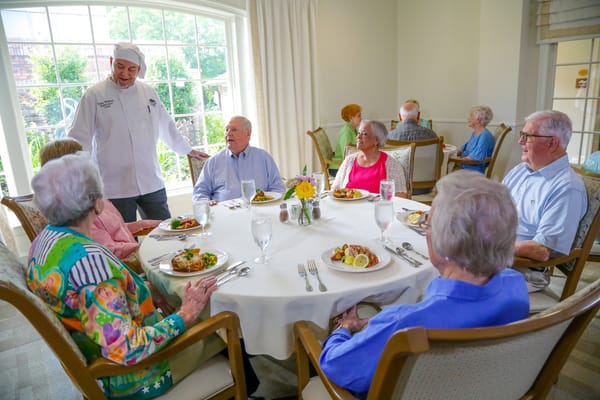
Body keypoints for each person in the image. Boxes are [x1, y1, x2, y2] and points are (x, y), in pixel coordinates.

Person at [26, 153, 236, 399]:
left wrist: (145, 287)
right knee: (228, 325)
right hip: (136, 376)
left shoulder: (43, 243)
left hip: (101, 353)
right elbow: (128, 349)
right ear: (97, 203)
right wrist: (185, 314)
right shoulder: (90, 263)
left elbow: (98, 304)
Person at [319, 170, 529, 398]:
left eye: (428, 224)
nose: (426, 231)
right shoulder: (516, 286)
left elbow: (334, 365)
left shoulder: (404, 327)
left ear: (445, 243)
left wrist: (344, 329)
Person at [68, 42, 207, 223]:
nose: (125, 74)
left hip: (150, 179)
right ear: (111, 62)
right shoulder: (94, 95)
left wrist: (187, 150)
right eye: (120, 67)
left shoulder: (148, 92)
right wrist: (77, 176)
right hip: (114, 185)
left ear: (139, 69)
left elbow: (166, 125)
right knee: (124, 240)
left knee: (166, 232)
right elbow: (80, 137)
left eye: (131, 69)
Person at [39, 138, 160, 272]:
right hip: (125, 267)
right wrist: (146, 247)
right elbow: (107, 250)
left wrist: (156, 226)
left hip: (135, 255)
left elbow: (116, 228)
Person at [502, 110, 587, 291]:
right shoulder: (520, 171)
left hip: (521, 271)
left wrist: (487, 247)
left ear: (552, 143)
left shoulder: (567, 188)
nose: (520, 141)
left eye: (527, 136)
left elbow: (541, 250)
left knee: (443, 280)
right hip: (494, 259)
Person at [194, 115, 286, 202]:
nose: (228, 133)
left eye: (234, 130)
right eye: (226, 130)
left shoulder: (264, 158)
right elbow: (199, 193)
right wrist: (206, 203)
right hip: (224, 215)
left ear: (248, 133)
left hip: (260, 213)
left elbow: (278, 188)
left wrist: (268, 203)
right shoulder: (213, 162)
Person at [332, 119, 407, 197]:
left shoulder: (392, 165)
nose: (358, 137)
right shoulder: (349, 161)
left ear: (376, 140)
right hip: (348, 207)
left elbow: (401, 196)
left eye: (364, 134)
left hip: (377, 208)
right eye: (358, 133)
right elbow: (335, 190)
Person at [455, 105, 496, 173]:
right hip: (464, 167)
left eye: (471, 116)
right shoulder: (475, 133)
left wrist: (452, 159)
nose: (468, 118)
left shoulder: (484, 136)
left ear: (478, 120)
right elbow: (465, 148)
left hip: (472, 172)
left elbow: (474, 158)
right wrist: (454, 153)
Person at [331, 104, 362, 176]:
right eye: (358, 116)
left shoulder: (353, 129)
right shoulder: (346, 132)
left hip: (347, 164)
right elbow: (346, 153)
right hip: (338, 167)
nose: (361, 118)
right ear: (351, 118)